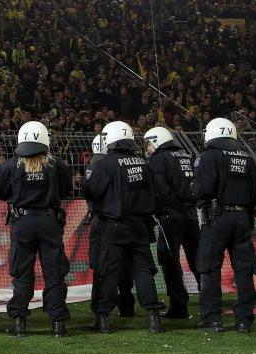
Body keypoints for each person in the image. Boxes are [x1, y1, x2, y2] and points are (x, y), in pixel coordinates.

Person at [84, 120, 164, 334]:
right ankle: (153, 317)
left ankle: (103, 318)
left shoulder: (105, 164)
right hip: (140, 226)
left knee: (108, 272)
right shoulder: (143, 163)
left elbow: (92, 192)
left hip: (114, 226)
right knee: (144, 271)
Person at [0, 121, 72, 337]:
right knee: (54, 273)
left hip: (22, 224)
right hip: (50, 223)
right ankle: (58, 323)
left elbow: (2, 193)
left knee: (22, 273)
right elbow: (65, 191)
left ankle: (19, 322)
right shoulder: (58, 165)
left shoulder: (10, 165)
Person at [192, 117, 256, 334]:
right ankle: (244, 320)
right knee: (244, 269)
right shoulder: (247, 158)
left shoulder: (208, 156)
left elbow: (202, 188)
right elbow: (255, 193)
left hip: (217, 218)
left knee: (209, 268)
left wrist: (194, 189)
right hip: (243, 218)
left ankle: (212, 318)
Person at [144, 126, 200, 319]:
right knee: (197, 259)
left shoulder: (158, 159)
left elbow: (160, 189)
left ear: (157, 141)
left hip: (171, 216)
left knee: (168, 259)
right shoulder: (186, 155)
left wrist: (172, 207)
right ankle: (210, 300)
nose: (148, 148)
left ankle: (179, 306)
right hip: (191, 214)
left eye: (149, 143)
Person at [84, 133, 135, 323]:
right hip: (122, 219)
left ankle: (101, 312)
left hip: (103, 220)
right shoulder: (116, 164)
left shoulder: (95, 165)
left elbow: (89, 191)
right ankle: (126, 304)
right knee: (123, 266)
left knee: (102, 265)